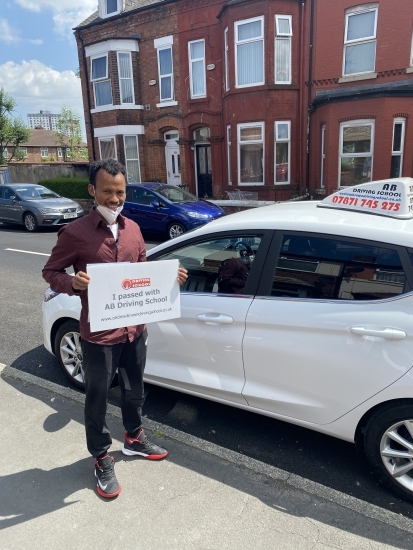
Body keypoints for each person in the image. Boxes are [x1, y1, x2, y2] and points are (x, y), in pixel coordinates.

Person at [42, 159, 188, 499]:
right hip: (99, 336)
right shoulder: (75, 233)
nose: (114, 198)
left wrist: (169, 277)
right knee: (97, 398)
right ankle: (101, 456)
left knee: (134, 389)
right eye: (107, 191)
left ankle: (134, 438)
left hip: (134, 329)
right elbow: (51, 272)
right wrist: (73, 283)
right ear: (93, 190)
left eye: (119, 192)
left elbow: (143, 270)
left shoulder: (134, 229)